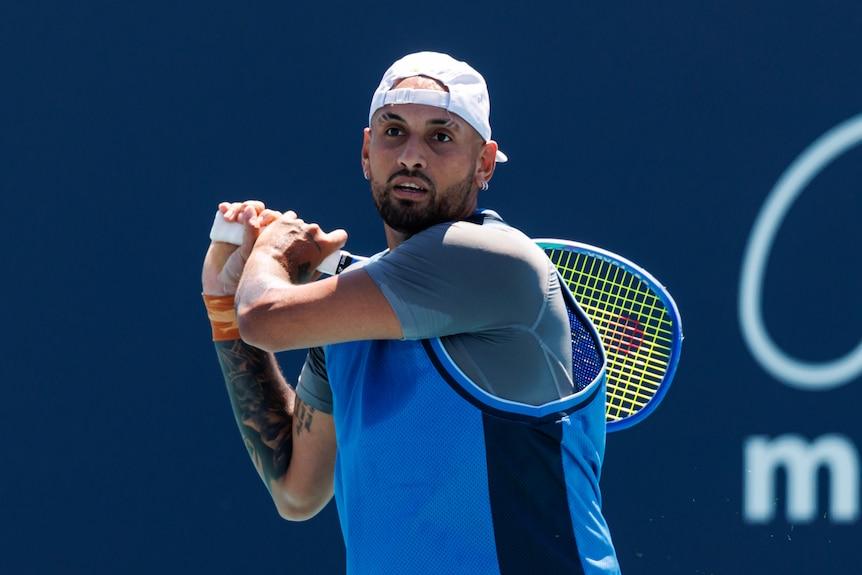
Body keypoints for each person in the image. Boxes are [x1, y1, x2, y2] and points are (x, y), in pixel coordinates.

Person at [201, 51, 620, 574]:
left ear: (484, 164)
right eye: (393, 131)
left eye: (441, 137)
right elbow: (296, 491)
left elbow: (265, 316)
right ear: (366, 150)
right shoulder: (349, 308)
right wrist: (224, 302)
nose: (411, 156)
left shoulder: (490, 260)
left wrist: (272, 251)